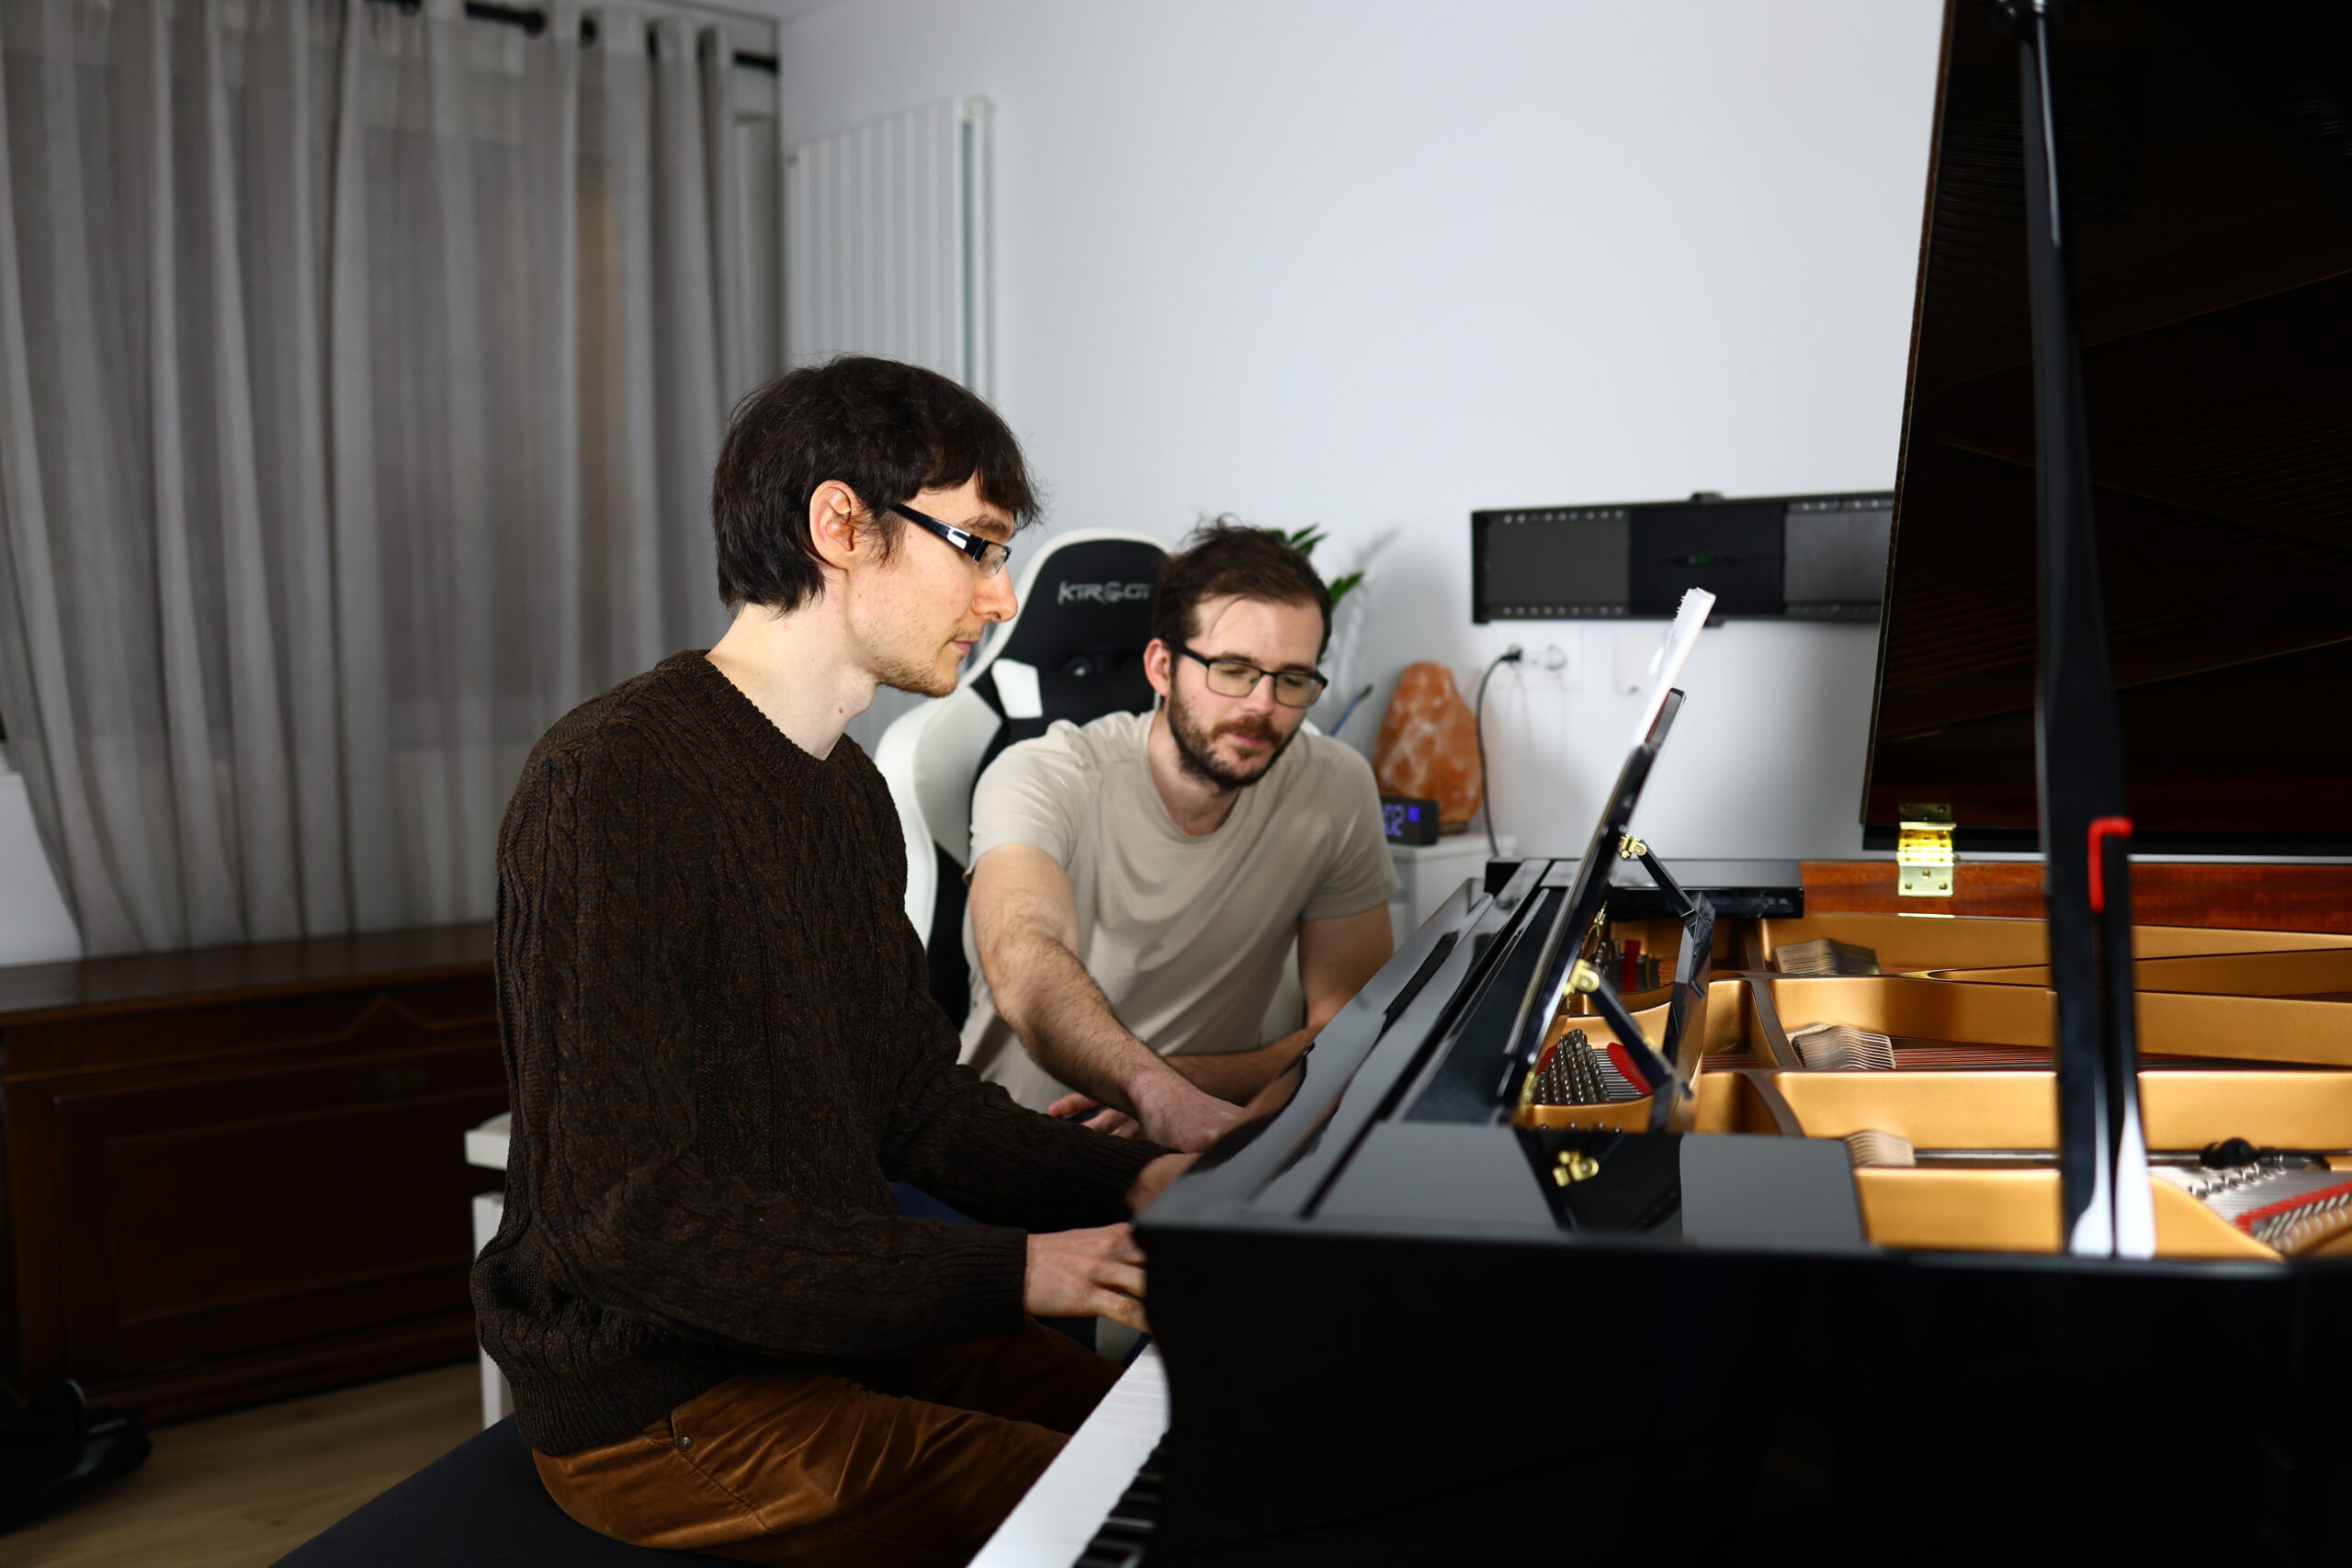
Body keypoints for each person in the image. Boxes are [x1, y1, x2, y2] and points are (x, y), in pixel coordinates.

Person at [471, 355, 1188, 1567]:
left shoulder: (850, 790)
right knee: (1145, 1522)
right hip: (669, 1398)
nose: (1005, 595)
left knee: (1196, 1442)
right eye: (977, 543)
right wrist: (1028, 1264)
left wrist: (1138, 1182)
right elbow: (626, 1217)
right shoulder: (616, 775)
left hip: (821, 1324)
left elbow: (911, 1102)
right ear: (842, 525)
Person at [959, 522, 1400, 1152]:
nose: (1263, 706)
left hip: (1202, 1137)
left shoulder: (1333, 785)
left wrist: (1183, 1086)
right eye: (1233, 669)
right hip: (1025, 1143)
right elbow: (1023, 960)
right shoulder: (1043, 774)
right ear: (1162, 666)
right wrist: (1153, 1087)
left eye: (1293, 679)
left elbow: (1350, 1026)